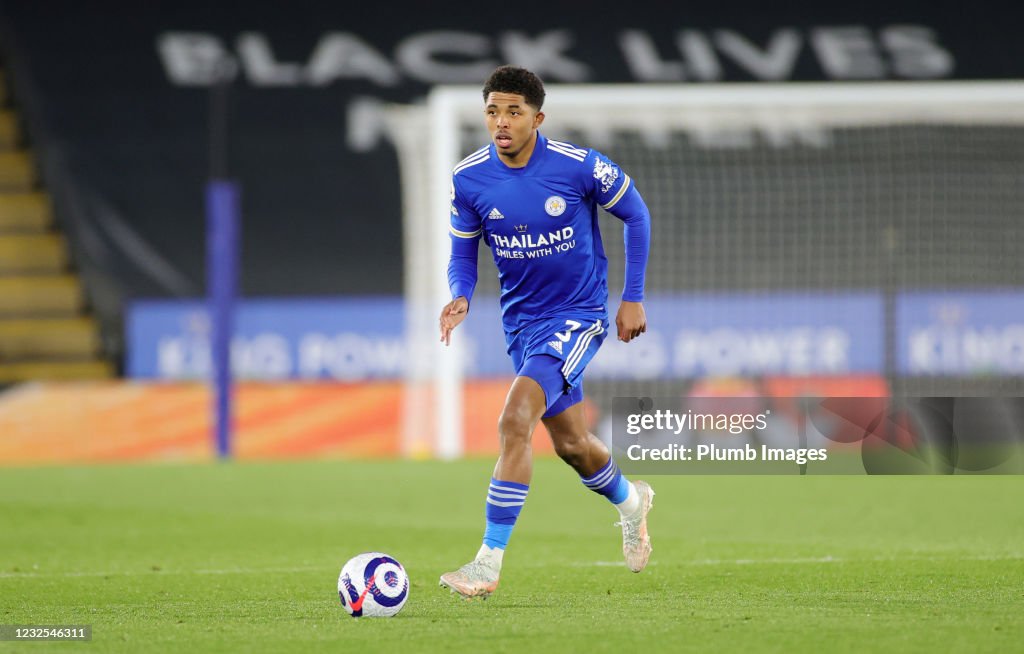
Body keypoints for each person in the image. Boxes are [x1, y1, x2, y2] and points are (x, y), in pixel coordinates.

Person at [438, 65, 654, 600]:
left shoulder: (579, 167)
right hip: (522, 324)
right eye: (492, 111)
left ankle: (487, 564)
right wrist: (461, 292)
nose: (501, 122)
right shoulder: (469, 178)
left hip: (578, 315)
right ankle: (633, 503)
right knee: (573, 445)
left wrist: (632, 297)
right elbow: (464, 252)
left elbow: (637, 215)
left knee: (515, 419)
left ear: (537, 117)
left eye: (513, 111)